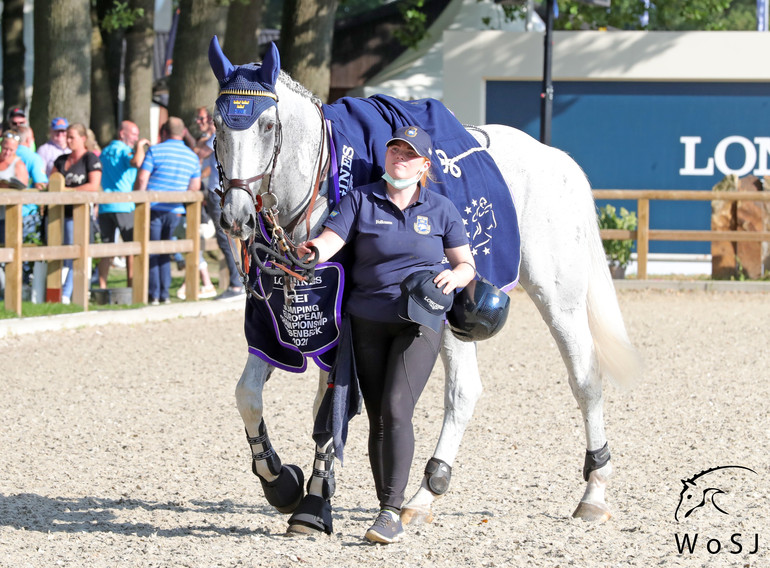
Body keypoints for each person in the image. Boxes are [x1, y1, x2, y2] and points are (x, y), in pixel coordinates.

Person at [298, 125, 475, 544]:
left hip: (420, 322)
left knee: (397, 407)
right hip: (367, 322)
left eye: (409, 153)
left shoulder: (441, 209)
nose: (399, 156)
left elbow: (466, 264)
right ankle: (386, 509)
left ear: (424, 165)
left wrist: (455, 275)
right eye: (395, 149)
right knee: (378, 416)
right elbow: (331, 239)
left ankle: (390, 512)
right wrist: (311, 252)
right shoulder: (361, 199)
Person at [134, 117, 201, 305]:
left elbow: (142, 179)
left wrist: (138, 202)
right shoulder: (192, 156)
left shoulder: (155, 150)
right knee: (166, 251)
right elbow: (194, 187)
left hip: (153, 208)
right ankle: (164, 294)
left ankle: (153, 294)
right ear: (183, 132)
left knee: (152, 250)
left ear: (164, 132)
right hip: (175, 210)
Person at [196, 109, 244, 299]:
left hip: (219, 193)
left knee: (227, 239)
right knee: (231, 238)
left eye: (204, 119)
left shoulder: (218, 134)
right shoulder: (230, 134)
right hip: (226, 191)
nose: (202, 122)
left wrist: (200, 138)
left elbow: (201, 153)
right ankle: (239, 282)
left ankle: (236, 285)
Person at [52, 123, 102, 304]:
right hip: (58, 213)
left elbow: (93, 186)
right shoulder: (61, 160)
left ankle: (66, 294)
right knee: (61, 254)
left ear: (83, 138)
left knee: (76, 253)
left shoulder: (90, 159)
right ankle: (57, 294)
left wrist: (67, 191)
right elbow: (52, 183)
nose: (68, 140)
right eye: (67, 137)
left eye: (72, 137)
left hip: (78, 214)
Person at [97, 120, 149, 289]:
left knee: (106, 249)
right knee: (131, 249)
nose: (135, 138)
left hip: (106, 205)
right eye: (133, 134)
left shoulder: (105, 151)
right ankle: (131, 287)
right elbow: (136, 162)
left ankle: (102, 288)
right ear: (122, 133)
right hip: (124, 206)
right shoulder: (124, 151)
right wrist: (141, 146)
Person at [0, 132, 31, 245]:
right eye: (5, 148)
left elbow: (22, 189)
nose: (7, 152)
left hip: (8, 214)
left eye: (11, 150)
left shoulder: (18, 165)